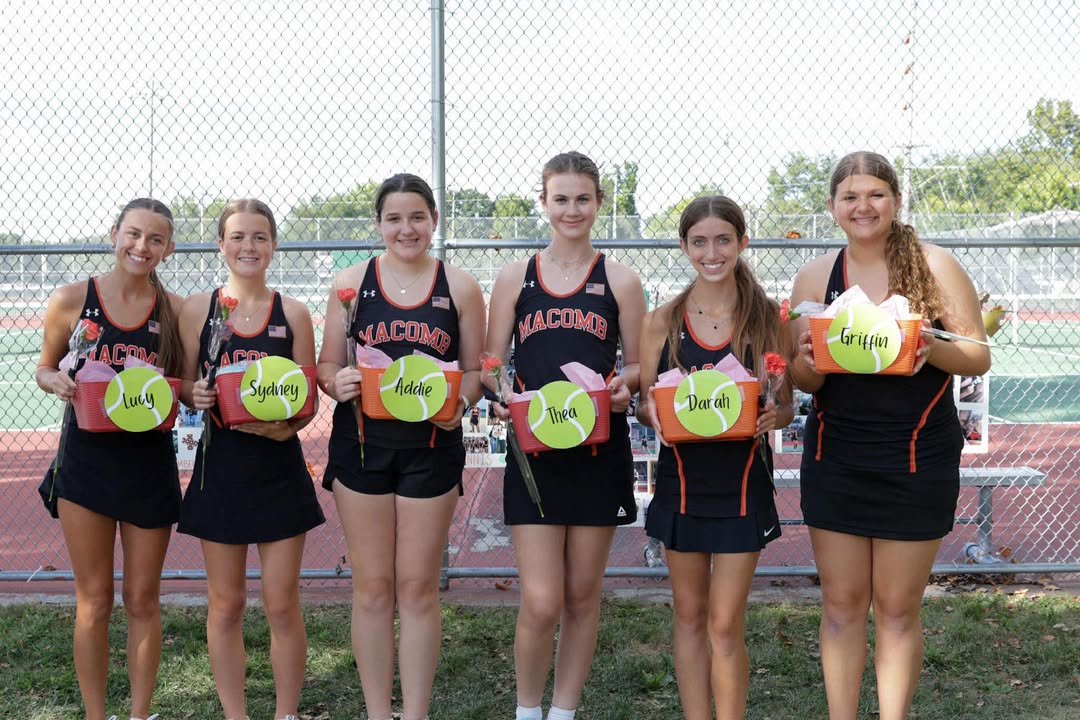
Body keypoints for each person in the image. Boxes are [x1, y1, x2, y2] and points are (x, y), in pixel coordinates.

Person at [788, 151, 991, 720]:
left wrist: (932, 347)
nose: (863, 206)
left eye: (875, 194)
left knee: (898, 610)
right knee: (842, 606)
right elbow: (804, 378)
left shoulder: (935, 265)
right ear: (832, 208)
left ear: (896, 201)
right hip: (837, 458)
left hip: (916, 457)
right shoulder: (815, 276)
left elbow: (977, 356)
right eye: (850, 196)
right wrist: (811, 361)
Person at [484, 151, 646, 720]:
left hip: (598, 448)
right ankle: (528, 710)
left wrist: (624, 387)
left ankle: (564, 710)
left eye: (582, 198)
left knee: (581, 595)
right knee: (542, 599)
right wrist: (500, 393)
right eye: (561, 199)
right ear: (544, 202)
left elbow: (639, 366)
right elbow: (489, 363)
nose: (571, 209)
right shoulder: (515, 277)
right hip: (535, 451)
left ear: (599, 203)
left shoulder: (620, 280)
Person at [317, 174, 485, 720]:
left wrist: (463, 398)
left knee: (416, 589)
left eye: (417, 216)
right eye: (394, 218)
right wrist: (334, 381)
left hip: (431, 447)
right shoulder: (350, 282)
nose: (406, 228)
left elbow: (475, 371)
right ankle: (376, 712)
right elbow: (327, 364)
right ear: (378, 223)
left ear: (433, 220)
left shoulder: (458, 286)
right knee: (371, 589)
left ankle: (414, 713)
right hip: (362, 447)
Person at [637, 196, 793, 720]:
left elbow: (785, 401)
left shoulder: (765, 319)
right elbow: (644, 402)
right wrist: (651, 414)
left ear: (742, 243)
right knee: (689, 615)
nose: (712, 252)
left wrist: (777, 413)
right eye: (699, 241)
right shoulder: (661, 321)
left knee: (724, 623)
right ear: (684, 246)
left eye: (723, 240)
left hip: (743, 486)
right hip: (682, 484)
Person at [35, 198, 183, 720]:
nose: (142, 246)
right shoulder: (73, 299)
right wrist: (55, 380)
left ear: (167, 248)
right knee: (93, 601)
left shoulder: (174, 309)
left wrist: (196, 393)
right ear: (114, 232)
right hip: (86, 465)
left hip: (148, 467)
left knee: (143, 600)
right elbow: (45, 368)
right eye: (134, 233)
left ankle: (139, 714)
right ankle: (96, 715)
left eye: (156, 239)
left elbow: (183, 388)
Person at [178, 199, 325, 720]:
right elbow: (181, 384)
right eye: (237, 236)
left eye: (259, 237)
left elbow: (305, 402)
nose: (248, 246)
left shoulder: (294, 313)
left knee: (282, 604)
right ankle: (235, 715)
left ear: (274, 245)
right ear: (221, 244)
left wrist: (283, 425)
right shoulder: (197, 310)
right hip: (220, 471)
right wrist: (191, 395)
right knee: (226, 604)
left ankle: (286, 713)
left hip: (279, 469)